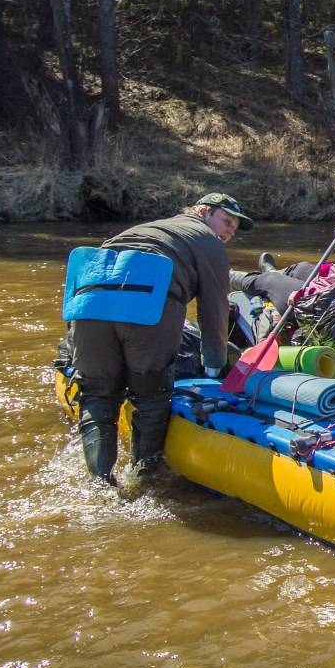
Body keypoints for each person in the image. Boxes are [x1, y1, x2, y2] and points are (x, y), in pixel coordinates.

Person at [64, 192, 252, 483]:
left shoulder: (144, 229)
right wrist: (214, 366)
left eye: (234, 228)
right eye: (226, 221)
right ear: (202, 211)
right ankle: (141, 482)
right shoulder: (208, 242)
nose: (229, 230)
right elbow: (215, 310)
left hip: (89, 307)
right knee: (151, 397)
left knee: (97, 395)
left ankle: (100, 483)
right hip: (147, 308)